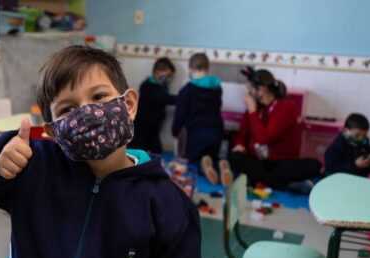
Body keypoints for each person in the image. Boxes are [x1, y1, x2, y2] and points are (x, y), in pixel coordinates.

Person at [0, 46, 201, 258]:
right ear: (54, 132)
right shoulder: (35, 167)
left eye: (99, 96)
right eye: (68, 109)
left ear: (128, 105)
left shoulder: (167, 204)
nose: (87, 112)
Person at [228, 67, 321, 194]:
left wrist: (252, 110)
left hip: (281, 163)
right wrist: (239, 144)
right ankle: (285, 185)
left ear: (261, 89)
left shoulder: (286, 106)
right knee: (234, 156)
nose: (247, 95)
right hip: (258, 161)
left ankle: (259, 179)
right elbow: (241, 134)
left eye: (250, 90)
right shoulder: (255, 108)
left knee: (314, 165)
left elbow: (264, 138)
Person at [171, 53, 230, 185]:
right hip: (216, 130)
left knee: (194, 161)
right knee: (212, 158)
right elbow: (218, 105)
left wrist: (175, 131)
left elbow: (180, 114)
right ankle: (221, 167)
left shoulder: (187, 90)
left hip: (197, 133)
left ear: (190, 69)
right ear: (207, 69)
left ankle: (204, 167)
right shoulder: (217, 87)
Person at [129, 57, 177, 153]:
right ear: (157, 72)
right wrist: (185, 97)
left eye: (170, 77)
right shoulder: (147, 86)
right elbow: (165, 98)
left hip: (152, 130)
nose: (168, 79)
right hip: (141, 130)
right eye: (167, 76)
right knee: (139, 155)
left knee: (157, 153)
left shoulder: (161, 87)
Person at [325, 113, 370, 177]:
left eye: (364, 135)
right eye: (357, 135)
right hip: (340, 181)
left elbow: (369, 170)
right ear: (345, 130)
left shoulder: (365, 144)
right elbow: (331, 170)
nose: (361, 138)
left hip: (358, 180)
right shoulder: (335, 147)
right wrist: (355, 166)